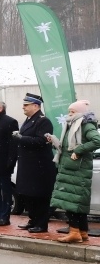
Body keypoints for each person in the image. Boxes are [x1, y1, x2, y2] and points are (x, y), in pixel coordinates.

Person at [47, 100, 100, 243]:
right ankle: (82, 232)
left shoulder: (86, 124)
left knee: (72, 203)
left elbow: (97, 141)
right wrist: (55, 142)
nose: (69, 114)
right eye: (69, 111)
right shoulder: (72, 125)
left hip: (77, 169)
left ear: (81, 112)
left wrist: (79, 150)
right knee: (77, 203)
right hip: (70, 168)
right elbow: (67, 148)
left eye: (73, 111)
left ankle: (74, 232)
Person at [14, 93, 56, 233]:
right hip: (28, 164)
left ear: (36, 106)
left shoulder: (43, 121)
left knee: (40, 196)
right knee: (28, 194)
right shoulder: (28, 120)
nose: (23, 107)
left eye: (26, 105)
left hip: (39, 165)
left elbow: (41, 141)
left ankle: (41, 224)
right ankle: (33, 220)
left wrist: (21, 138)